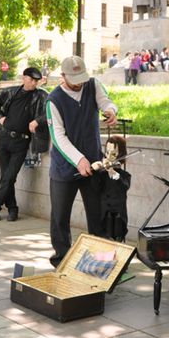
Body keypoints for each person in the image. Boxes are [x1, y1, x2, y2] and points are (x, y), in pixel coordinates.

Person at [46, 55, 118, 266]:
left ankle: (102, 260)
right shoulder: (53, 100)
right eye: (74, 79)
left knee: (98, 214)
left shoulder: (93, 85)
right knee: (60, 217)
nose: (79, 83)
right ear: (63, 76)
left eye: (82, 78)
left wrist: (111, 111)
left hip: (94, 164)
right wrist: (79, 160)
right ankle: (62, 261)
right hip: (64, 168)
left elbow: (106, 101)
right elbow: (58, 137)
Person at [0, 67, 48, 221]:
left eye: (37, 81)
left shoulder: (41, 95)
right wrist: (0, 118)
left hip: (22, 141)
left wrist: (37, 121)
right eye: (32, 80)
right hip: (4, 139)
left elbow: (50, 111)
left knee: (10, 177)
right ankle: (12, 209)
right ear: (24, 78)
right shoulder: (10, 92)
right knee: (5, 177)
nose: (35, 83)